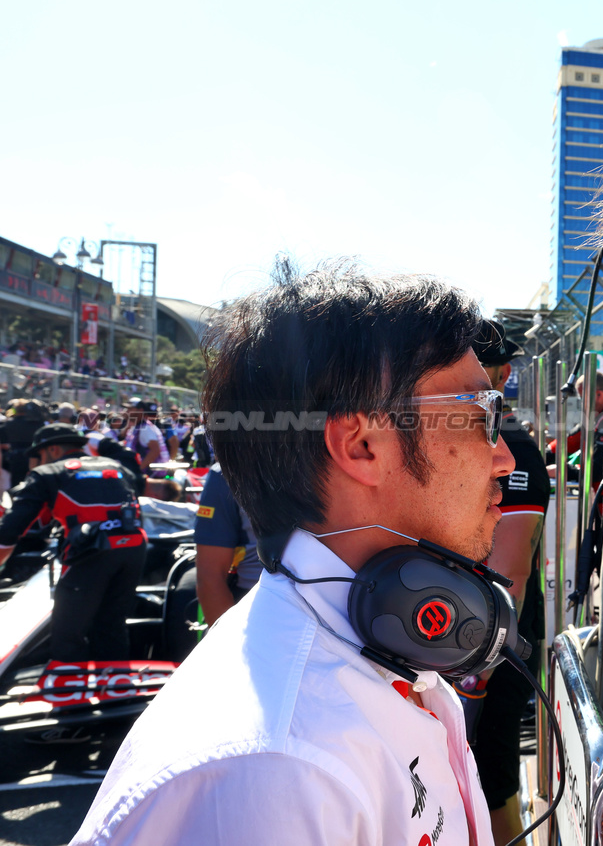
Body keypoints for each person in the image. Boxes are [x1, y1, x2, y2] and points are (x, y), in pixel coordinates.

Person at [73, 260, 514, 846]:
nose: (505, 457)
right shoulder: (279, 768)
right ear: (361, 445)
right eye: (480, 415)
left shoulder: (381, 653)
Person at [466, 319, 551, 846]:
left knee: (493, 778)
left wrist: (474, 668)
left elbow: (510, 574)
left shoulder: (511, 447)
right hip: (462, 643)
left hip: (495, 648)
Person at [0, 423, 145, 661]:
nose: (35, 462)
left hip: (91, 551)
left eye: (36, 456)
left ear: (53, 450)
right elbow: (131, 464)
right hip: (134, 549)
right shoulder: (116, 465)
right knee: (111, 624)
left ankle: (67, 689)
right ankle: (116, 691)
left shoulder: (48, 473)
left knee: (68, 631)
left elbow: (9, 531)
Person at [193, 462, 262, 626]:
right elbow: (210, 575)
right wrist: (228, 645)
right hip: (258, 603)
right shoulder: (228, 472)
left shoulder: (329, 459)